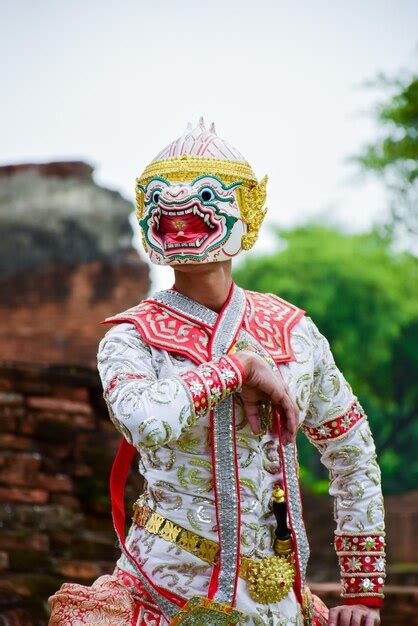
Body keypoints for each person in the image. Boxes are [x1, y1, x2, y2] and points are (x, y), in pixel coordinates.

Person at [48, 119, 385, 625]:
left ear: (246, 211)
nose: (180, 212)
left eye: (204, 197)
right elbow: (145, 421)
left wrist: (362, 591)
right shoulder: (132, 335)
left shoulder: (293, 331)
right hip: (158, 594)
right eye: (163, 202)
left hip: (281, 604)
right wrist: (236, 367)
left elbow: (351, 450)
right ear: (147, 217)